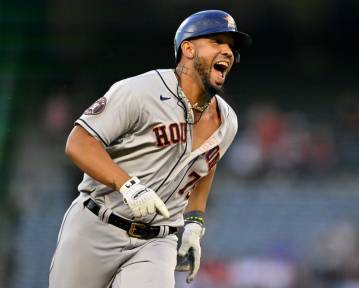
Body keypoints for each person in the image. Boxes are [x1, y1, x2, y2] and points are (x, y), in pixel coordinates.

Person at [49, 10, 251, 288]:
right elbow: (78, 142)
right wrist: (127, 185)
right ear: (188, 48)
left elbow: (205, 166)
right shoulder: (140, 91)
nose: (228, 51)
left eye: (232, 46)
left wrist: (193, 224)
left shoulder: (227, 121)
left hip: (157, 241)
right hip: (97, 225)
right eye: (217, 41)